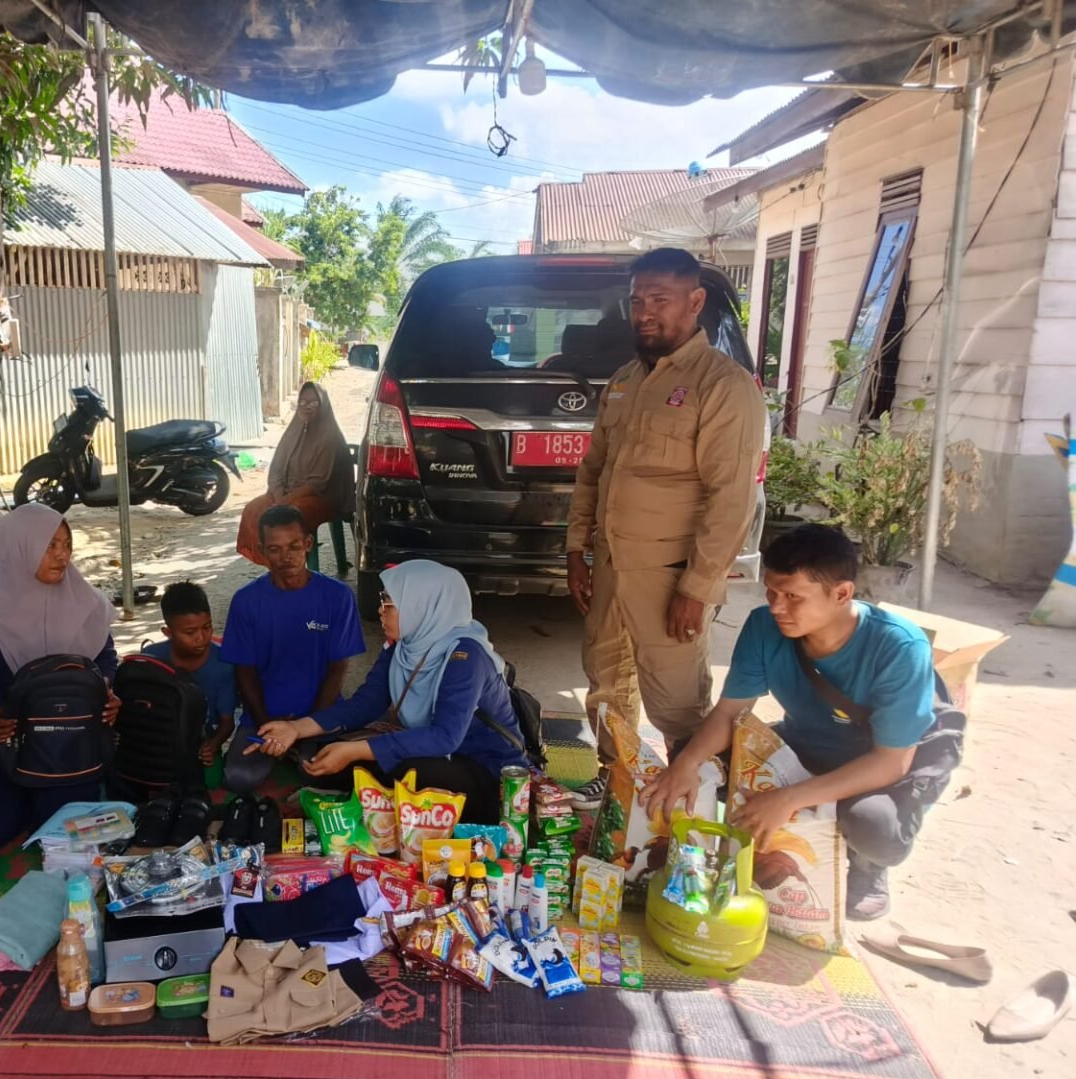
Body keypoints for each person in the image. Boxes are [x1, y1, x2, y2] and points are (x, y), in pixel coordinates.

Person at [641, 525, 956, 921]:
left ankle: (868, 868)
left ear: (842, 594)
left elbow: (890, 762)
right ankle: (716, 847)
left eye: (793, 597)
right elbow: (729, 713)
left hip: (878, 765)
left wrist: (788, 798)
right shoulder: (764, 626)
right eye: (771, 593)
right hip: (806, 744)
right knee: (691, 754)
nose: (777, 607)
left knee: (875, 826)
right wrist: (686, 764)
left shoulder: (899, 647)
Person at [565, 246, 766, 808]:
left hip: (670, 576)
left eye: (660, 299)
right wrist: (577, 550)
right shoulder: (625, 380)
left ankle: (693, 810)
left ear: (695, 301)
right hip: (610, 566)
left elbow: (731, 499)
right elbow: (593, 471)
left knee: (678, 705)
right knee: (606, 685)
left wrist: (697, 588)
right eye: (637, 301)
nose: (645, 313)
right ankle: (617, 788)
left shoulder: (723, 386)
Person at [251, 560, 522, 824]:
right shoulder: (403, 647)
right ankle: (372, 798)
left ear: (421, 604)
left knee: (404, 768)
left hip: (487, 773)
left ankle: (374, 801)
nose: (381, 611)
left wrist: (355, 750)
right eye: (382, 600)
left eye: (389, 603)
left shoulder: (466, 656)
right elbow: (365, 704)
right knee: (321, 755)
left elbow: (445, 737)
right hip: (434, 755)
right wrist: (296, 729)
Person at [0, 504, 120, 849]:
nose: (62, 555)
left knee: (63, 837)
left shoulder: (86, 600)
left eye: (66, 545)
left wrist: (106, 693)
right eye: (49, 545)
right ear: (19, 546)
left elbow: (105, 660)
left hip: (68, 743)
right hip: (3, 741)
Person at [221, 504, 364, 795]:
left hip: (320, 715)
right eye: (274, 549)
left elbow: (338, 669)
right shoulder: (246, 601)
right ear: (262, 551)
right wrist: (268, 727)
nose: (285, 557)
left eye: (294, 546)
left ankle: (301, 753)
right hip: (262, 717)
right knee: (238, 777)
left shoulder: (338, 597)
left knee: (323, 772)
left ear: (308, 544)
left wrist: (305, 728)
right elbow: (244, 672)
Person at [236, 381, 354, 566]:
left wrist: (286, 501)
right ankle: (275, 565)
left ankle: (296, 566)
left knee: (293, 516)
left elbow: (317, 483)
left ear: (323, 405)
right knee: (254, 509)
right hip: (284, 494)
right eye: (303, 402)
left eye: (313, 403)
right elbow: (276, 469)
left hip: (319, 498)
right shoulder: (293, 431)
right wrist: (278, 495)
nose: (307, 407)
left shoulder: (329, 436)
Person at [143, 581, 237, 772]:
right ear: (168, 632)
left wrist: (213, 745)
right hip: (160, 743)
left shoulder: (224, 664)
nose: (201, 638)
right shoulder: (151, 658)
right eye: (190, 632)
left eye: (207, 627)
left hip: (201, 745)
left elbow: (227, 722)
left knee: (213, 781)